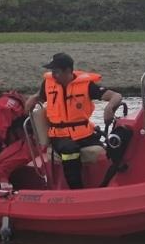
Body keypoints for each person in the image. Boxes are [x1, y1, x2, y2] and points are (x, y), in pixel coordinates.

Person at [23, 53, 124, 190]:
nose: (53, 75)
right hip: (59, 135)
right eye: (52, 71)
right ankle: (76, 190)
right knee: (70, 150)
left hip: (84, 134)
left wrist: (109, 108)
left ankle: (109, 185)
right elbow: (39, 96)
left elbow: (116, 96)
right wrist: (32, 99)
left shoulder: (86, 86)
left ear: (68, 71)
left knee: (112, 149)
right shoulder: (48, 84)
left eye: (56, 71)